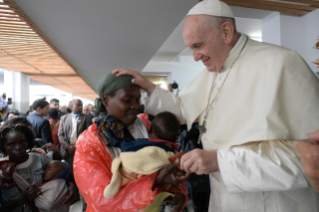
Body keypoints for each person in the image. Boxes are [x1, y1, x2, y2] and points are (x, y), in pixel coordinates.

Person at [112, 0, 319, 211]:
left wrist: (221, 162)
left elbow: (309, 159)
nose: (194, 57)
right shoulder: (210, 74)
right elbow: (184, 110)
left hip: (273, 202)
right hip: (222, 197)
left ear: (226, 32)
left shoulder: (282, 63)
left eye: (198, 46)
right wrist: (149, 88)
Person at [73, 73, 188, 212]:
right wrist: (154, 182)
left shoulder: (145, 124)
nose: (136, 106)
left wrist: (178, 191)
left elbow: (167, 158)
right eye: (127, 100)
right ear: (106, 99)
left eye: (138, 100)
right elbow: (101, 200)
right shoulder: (89, 143)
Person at [104, 111, 185, 199]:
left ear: (150, 129)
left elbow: (126, 148)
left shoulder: (143, 143)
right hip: (154, 195)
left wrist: (122, 140)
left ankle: (116, 180)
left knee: (121, 165)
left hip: (132, 178)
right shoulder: (172, 152)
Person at [0, 118, 76, 211]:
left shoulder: (41, 159)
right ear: (3, 146)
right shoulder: (3, 172)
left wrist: (70, 185)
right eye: (11, 144)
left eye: (22, 142)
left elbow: (58, 175)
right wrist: (22, 199)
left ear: (28, 142)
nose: (18, 148)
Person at [58, 98, 92, 192]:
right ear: (71, 106)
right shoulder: (64, 118)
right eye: (78, 105)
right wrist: (68, 146)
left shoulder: (86, 117)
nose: (80, 107)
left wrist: (77, 147)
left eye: (81, 105)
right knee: (70, 173)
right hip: (67, 150)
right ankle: (74, 194)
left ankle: (82, 192)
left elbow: (89, 134)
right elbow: (60, 135)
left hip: (81, 150)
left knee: (81, 172)